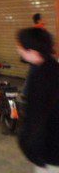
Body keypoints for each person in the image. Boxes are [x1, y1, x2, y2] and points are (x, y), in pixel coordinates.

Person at [16, 27, 59, 172]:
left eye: (20, 46)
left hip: (50, 154)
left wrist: (29, 147)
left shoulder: (42, 77)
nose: (18, 49)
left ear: (32, 51)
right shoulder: (51, 68)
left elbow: (37, 117)